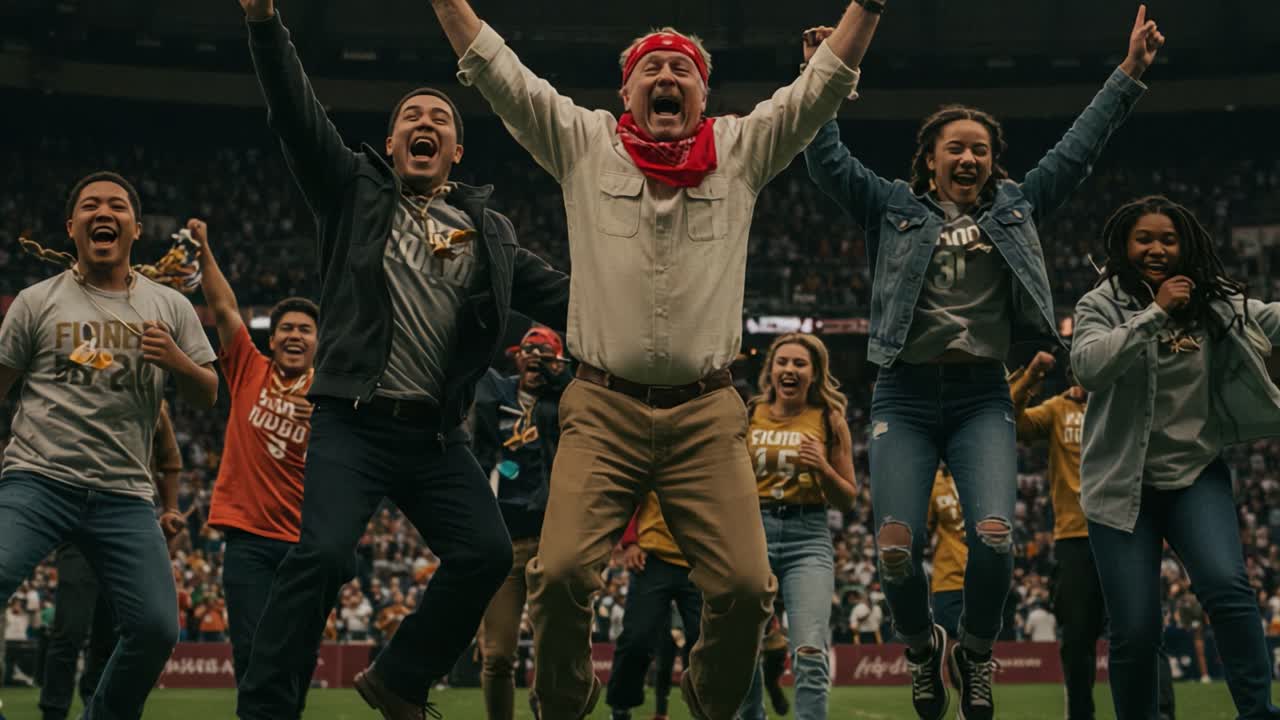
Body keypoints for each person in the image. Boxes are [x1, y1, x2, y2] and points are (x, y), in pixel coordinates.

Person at [427, 0, 884, 716]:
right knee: (562, 573)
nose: (666, 76)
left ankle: (709, 703)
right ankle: (567, 706)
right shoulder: (585, 142)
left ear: (703, 95)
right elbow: (501, 76)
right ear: (626, 93)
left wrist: (869, 8)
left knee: (744, 587)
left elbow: (821, 85)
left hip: (706, 411)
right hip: (602, 407)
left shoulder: (741, 148)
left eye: (682, 69)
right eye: (651, 68)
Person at [802, 7, 1163, 719]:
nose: (968, 159)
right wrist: (820, 81)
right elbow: (826, 160)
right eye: (954, 149)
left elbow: (1078, 148)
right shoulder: (891, 207)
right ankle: (917, 650)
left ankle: (972, 650)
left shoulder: (1018, 208)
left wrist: (1128, 74)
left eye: (980, 151)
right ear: (929, 157)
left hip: (980, 399)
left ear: (992, 161)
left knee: (995, 540)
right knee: (898, 551)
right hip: (902, 397)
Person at [234, 1, 571, 718]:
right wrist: (266, 24)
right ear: (389, 144)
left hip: (434, 436)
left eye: (441, 119)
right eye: (412, 117)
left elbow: (572, 301)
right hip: (352, 422)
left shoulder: (492, 234)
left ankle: (398, 679)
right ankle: (265, 709)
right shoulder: (352, 192)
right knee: (322, 558)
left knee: (483, 554)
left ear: (456, 151)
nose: (426, 123)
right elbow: (296, 115)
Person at [0, 171, 218, 719]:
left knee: (155, 628)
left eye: (117, 206)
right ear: (71, 226)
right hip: (37, 479)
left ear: (136, 228)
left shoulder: (170, 306)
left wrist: (177, 360)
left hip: (123, 494)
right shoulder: (34, 301)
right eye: (90, 206)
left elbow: (209, 392)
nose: (104, 212)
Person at [1071, 195, 1280, 720]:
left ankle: (1258, 712)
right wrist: (1155, 312)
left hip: (1194, 476)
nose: (1157, 248)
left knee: (1228, 589)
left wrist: (1183, 305)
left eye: (1169, 239)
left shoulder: (1214, 303)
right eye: (1145, 239)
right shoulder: (1099, 305)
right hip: (1120, 486)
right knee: (1135, 629)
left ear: (1186, 245)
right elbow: (1089, 369)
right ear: (1124, 244)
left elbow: (1269, 319)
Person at [193, 216, 322, 701]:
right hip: (247, 540)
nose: (294, 335)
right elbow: (224, 309)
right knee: (250, 650)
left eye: (305, 330)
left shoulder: (331, 391)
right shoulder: (249, 366)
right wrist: (205, 248)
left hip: (305, 544)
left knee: (299, 653)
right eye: (286, 327)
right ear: (271, 339)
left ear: (318, 342)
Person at [38, 401, 185, 720]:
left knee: (111, 632)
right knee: (69, 628)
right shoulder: (77, 391)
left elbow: (170, 460)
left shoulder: (154, 402)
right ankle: (54, 711)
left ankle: (98, 707)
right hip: (77, 517)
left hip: (127, 521)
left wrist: (171, 508)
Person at [738, 332, 856, 720]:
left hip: (808, 536)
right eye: (783, 362)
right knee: (742, 650)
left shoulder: (829, 418)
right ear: (770, 370)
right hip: (751, 533)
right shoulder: (748, 412)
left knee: (809, 650)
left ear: (815, 373)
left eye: (800, 363)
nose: (790, 369)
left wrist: (822, 468)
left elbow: (848, 498)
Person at [471, 326, 569, 720]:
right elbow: (486, 454)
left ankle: (546, 707)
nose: (534, 357)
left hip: (554, 541)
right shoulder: (494, 396)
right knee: (496, 655)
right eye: (527, 351)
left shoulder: (566, 402)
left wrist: (560, 381)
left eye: (544, 352)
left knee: (555, 656)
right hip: (506, 540)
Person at [607, 493, 702, 720]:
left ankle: (713, 709)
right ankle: (621, 707)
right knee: (636, 637)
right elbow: (632, 489)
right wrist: (630, 540)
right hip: (651, 557)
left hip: (699, 556)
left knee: (707, 640)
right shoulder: (651, 456)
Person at [927, 465, 966, 643]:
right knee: (949, 643)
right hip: (948, 577)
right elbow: (921, 529)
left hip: (981, 576)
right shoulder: (934, 482)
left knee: (980, 650)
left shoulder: (984, 474)